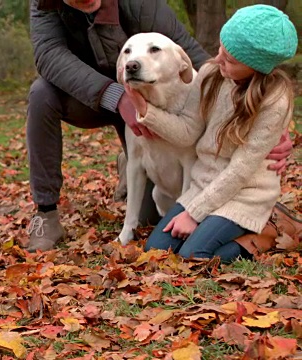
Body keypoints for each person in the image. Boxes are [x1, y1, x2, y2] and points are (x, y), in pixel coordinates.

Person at [25, 0, 295, 252]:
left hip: (152, 95)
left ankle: (253, 222)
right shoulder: (44, 5)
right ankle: (46, 211)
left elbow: (189, 53)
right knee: (41, 94)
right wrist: (118, 97)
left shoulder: (142, 5)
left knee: (152, 219)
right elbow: (49, 56)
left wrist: (262, 123)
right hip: (92, 95)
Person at [125, 4, 299, 262]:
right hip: (203, 186)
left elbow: (240, 171)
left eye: (230, 59)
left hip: (246, 194)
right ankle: (220, 229)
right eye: (221, 49)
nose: (218, 60)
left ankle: (266, 232)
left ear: (256, 67)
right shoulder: (210, 74)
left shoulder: (274, 101)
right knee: (157, 251)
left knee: (195, 255)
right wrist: (145, 110)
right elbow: (187, 132)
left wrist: (193, 214)